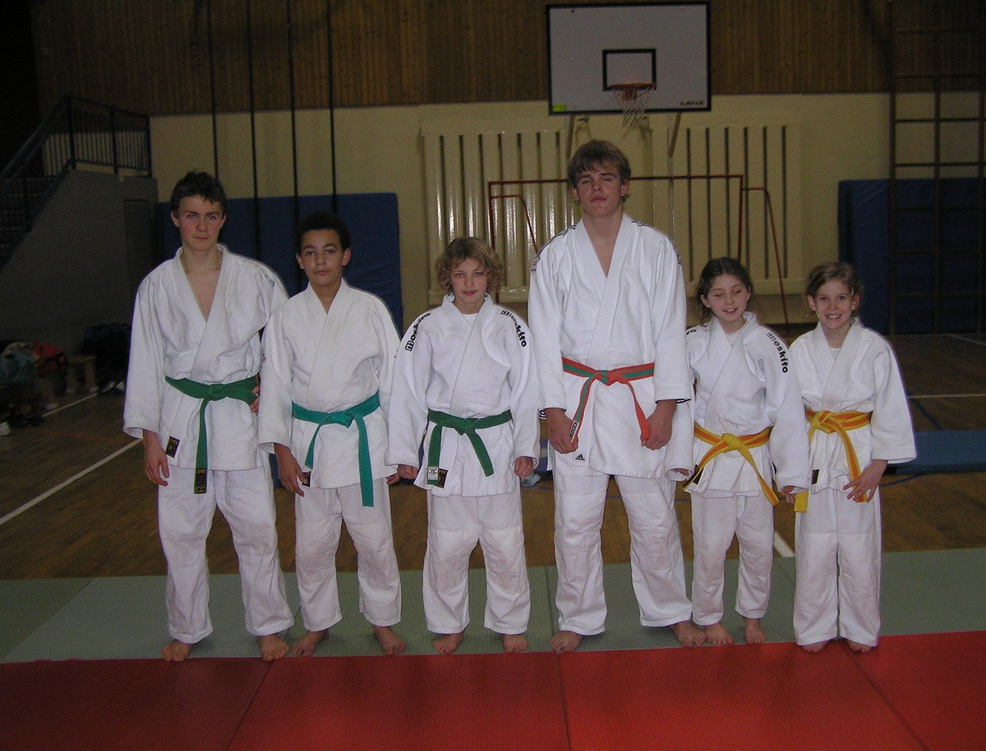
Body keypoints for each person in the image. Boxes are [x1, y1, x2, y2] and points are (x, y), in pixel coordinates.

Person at [528, 139, 704, 653]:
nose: (597, 188)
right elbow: (543, 339)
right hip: (578, 400)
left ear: (624, 186)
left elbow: (671, 330)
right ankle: (578, 615)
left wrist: (666, 407)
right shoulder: (556, 256)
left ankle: (671, 609)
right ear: (575, 191)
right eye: (586, 180)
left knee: (654, 517)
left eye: (606, 178)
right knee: (575, 521)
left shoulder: (655, 249)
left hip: (640, 400)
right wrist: (553, 412)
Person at [123, 171, 293, 662]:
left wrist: (271, 388)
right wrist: (149, 440)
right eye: (192, 215)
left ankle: (268, 625)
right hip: (181, 419)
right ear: (175, 219)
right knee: (180, 533)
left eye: (211, 216)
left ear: (223, 220)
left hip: (239, 418)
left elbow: (286, 342)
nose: (202, 226)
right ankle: (187, 627)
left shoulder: (256, 278)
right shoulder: (156, 286)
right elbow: (145, 363)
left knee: (257, 528)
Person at [259, 211, 405, 656]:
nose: (320, 260)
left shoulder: (369, 309)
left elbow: (394, 381)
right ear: (299, 261)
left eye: (329, 251)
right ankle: (318, 622)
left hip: (364, 442)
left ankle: (382, 621)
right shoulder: (286, 316)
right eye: (310, 252)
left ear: (345, 256)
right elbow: (275, 386)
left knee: (374, 542)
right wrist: (282, 452)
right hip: (310, 445)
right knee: (313, 545)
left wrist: (397, 448)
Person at [389, 237, 539, 654]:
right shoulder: (427, 326)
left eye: (477, 274)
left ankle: (510, 622)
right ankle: (449, 623)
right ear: (447, 278)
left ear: (491, 277)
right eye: (460, 274)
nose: (469, 283)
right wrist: (404, 451)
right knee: (446, 544)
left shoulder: (510, 325)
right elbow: (407, 391)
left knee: (505, 542)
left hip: (496, 446)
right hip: (446, 447)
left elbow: (526, 390)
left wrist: (526, 446)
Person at [680, 258, 808, 645]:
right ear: (705, 299)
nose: (729, 300)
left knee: (757, 545)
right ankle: (708, 616)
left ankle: (753, 615)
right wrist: (678, 457)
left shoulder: (768, 343)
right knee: (711, 545)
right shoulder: (692, 342)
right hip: (711, 455)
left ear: (749, 293)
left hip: (754, 457)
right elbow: (680, 403)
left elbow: (788, 408)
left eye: (736, 291)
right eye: (718, 294)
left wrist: (791, 473)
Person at [790, 262, 916, 653]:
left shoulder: (874, 348)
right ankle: (814, 629)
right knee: (814, 546)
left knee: (860, 547)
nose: (833, 307)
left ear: (855, 301)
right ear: (811, 303)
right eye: (824, 299)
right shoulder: (800, 349)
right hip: (814, 451)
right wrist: (790, 471)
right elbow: (788, 416)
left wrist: (879, 464)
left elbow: (891, 408)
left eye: (841, 298)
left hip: (858, 454)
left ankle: (860, 629)